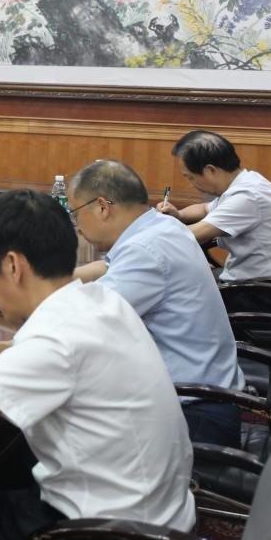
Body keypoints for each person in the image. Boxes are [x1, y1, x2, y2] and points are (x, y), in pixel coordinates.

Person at [0, 189, 194, 540]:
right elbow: (59, 358)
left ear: (12, 266)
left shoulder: (55, 340)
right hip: (154, 513)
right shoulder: (99, 300)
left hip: (106, 531)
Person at [68, 160, 244, 446]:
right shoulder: (161, 226)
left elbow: (81, 323)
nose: (77, 224)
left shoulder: (145, 250)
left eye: (76, 214)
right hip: (210, 396)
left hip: (193, 415)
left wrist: (27, 299)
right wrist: (55, 280)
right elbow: (109, 268)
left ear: (102, 207)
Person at [158, 129, 271, 280]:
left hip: (262, 288)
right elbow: (204, 209)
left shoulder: (247, 196)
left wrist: (147, 232)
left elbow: (192, 234)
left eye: (190, 177)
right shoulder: (246, 182)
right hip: (247, 278)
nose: (191, 184)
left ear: (210, 170)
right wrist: (180, 215)